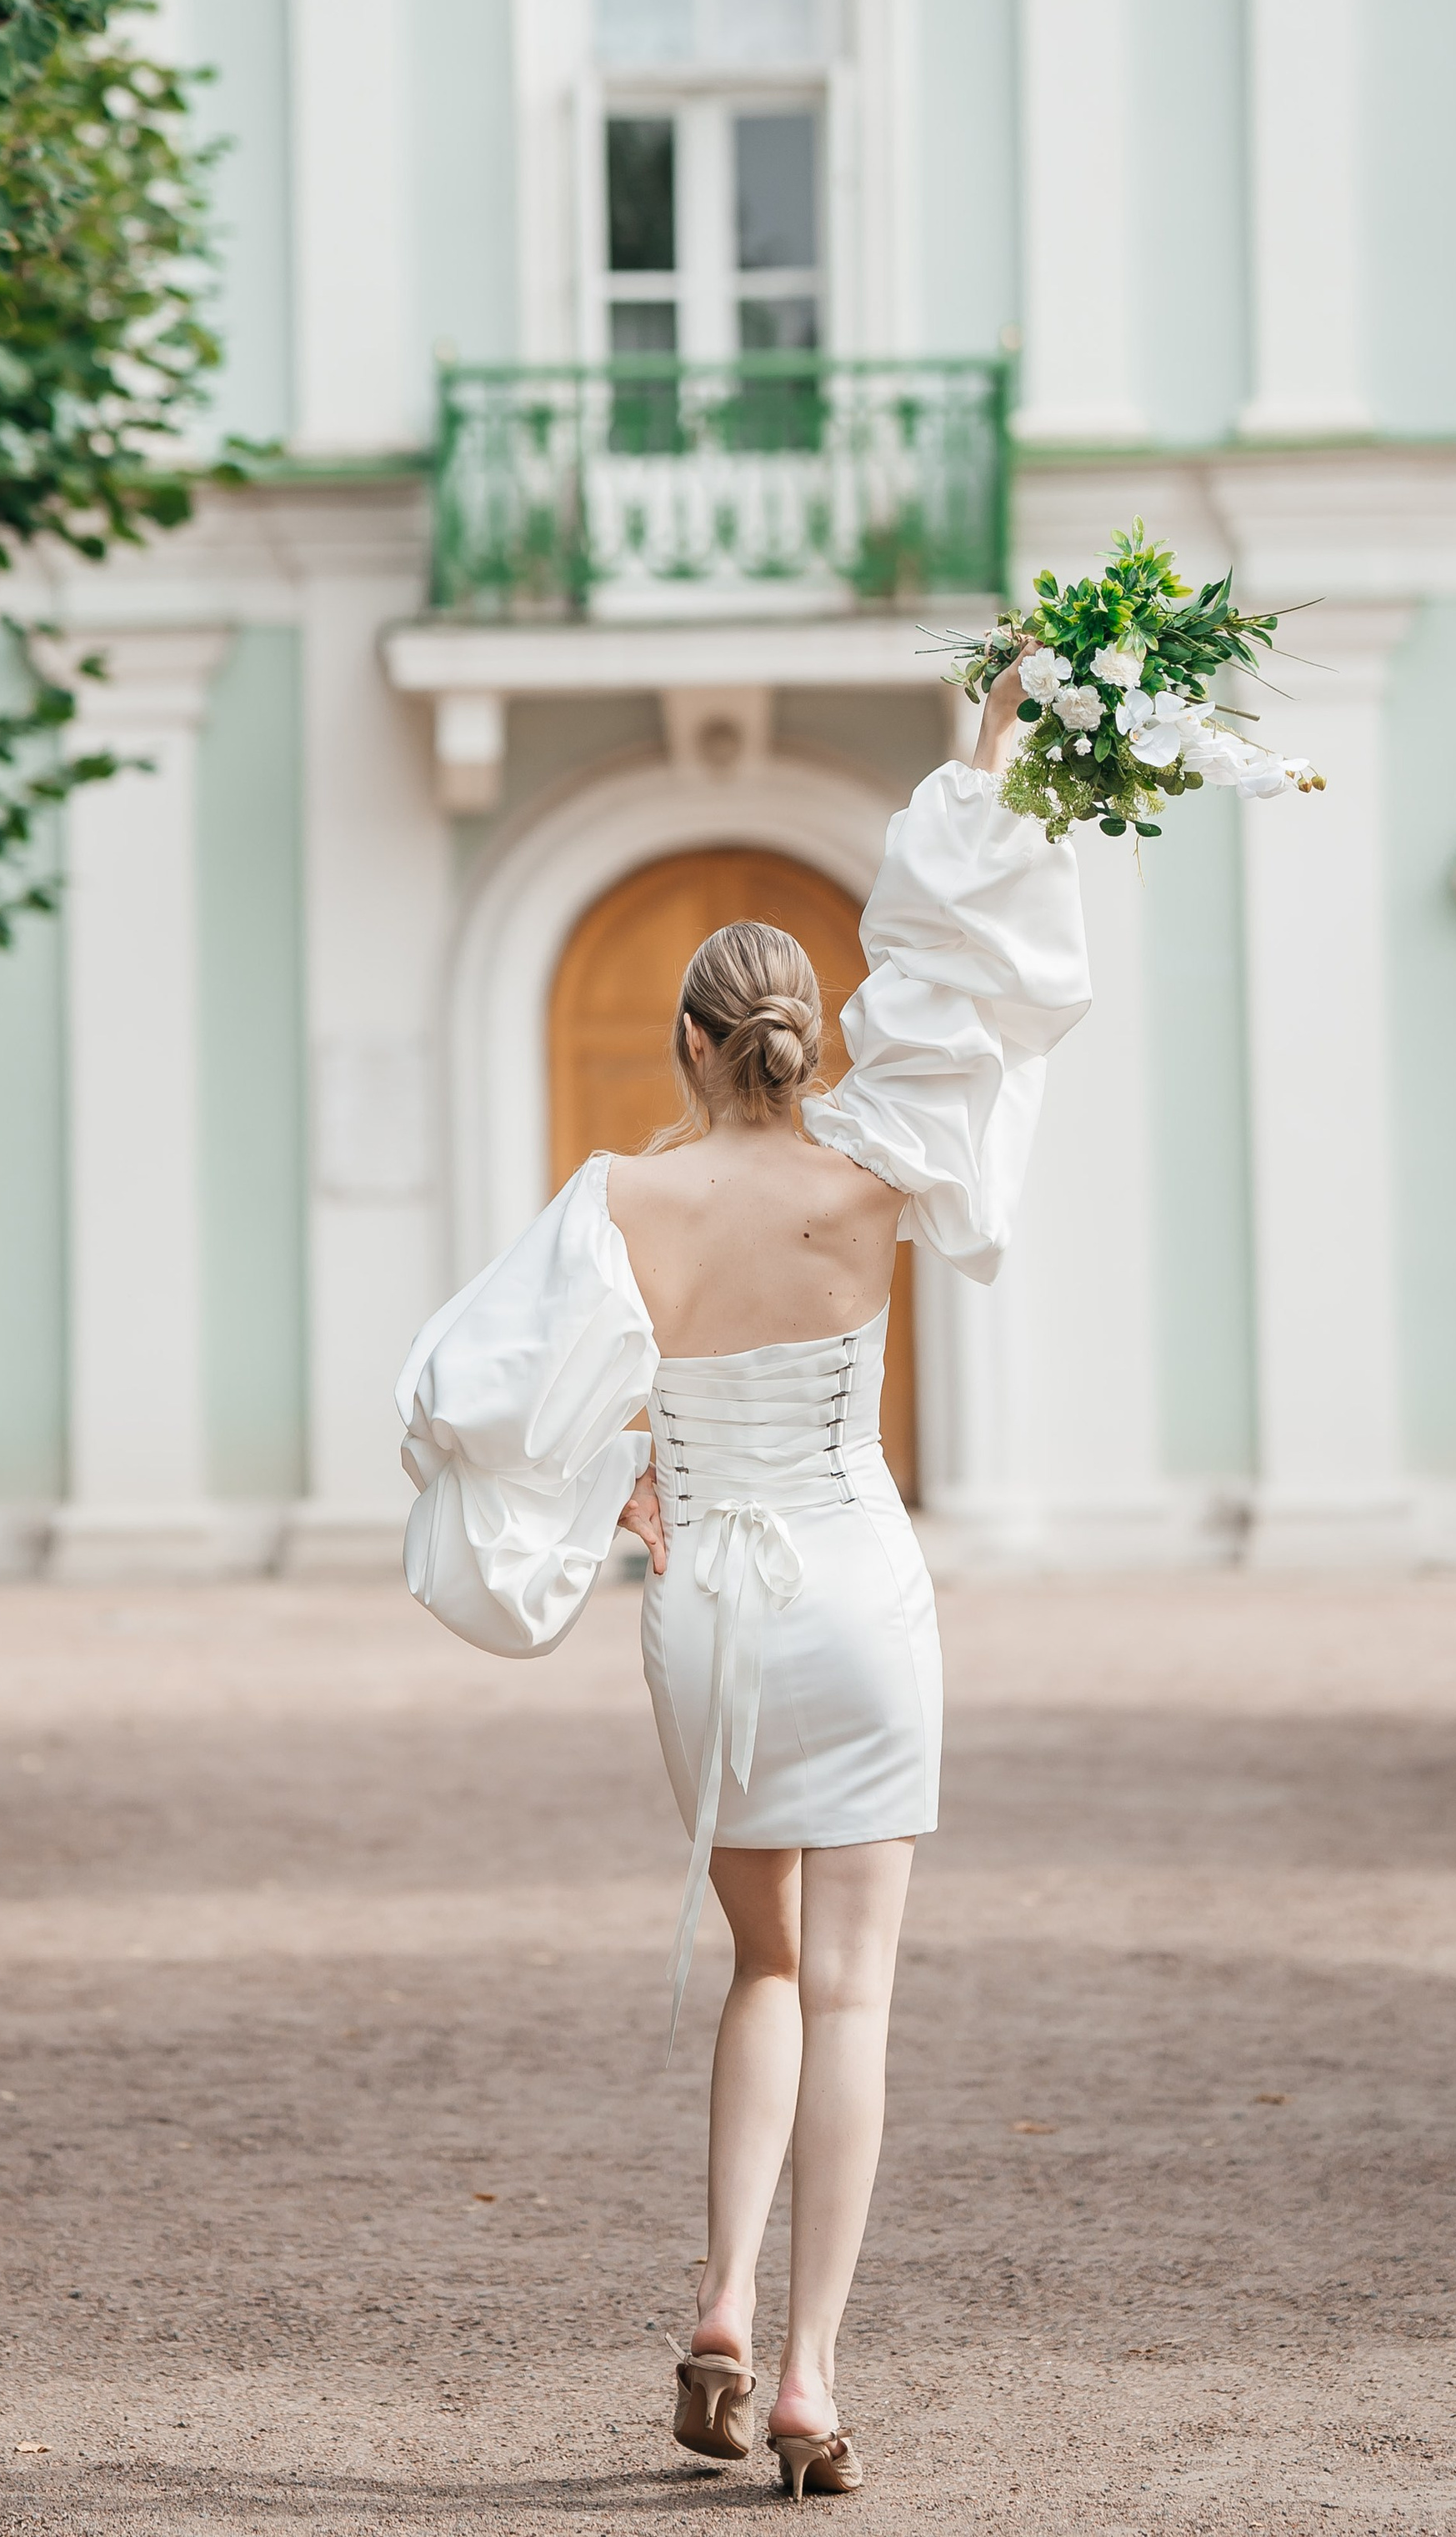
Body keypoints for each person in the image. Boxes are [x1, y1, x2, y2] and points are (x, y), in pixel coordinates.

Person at [397, 663, 1089, 2499]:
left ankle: (711, 2294)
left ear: (690, 1047)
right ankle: (803, 2376)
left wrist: (611, 1470)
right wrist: (991, 746)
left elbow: (473, 1391)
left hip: (704, 1605)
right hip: (859, 1593)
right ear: (802, 1041)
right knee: (854, 1989)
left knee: (760, 1964)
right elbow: (956, 973)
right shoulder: (874, 1173)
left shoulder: (615, 1196)